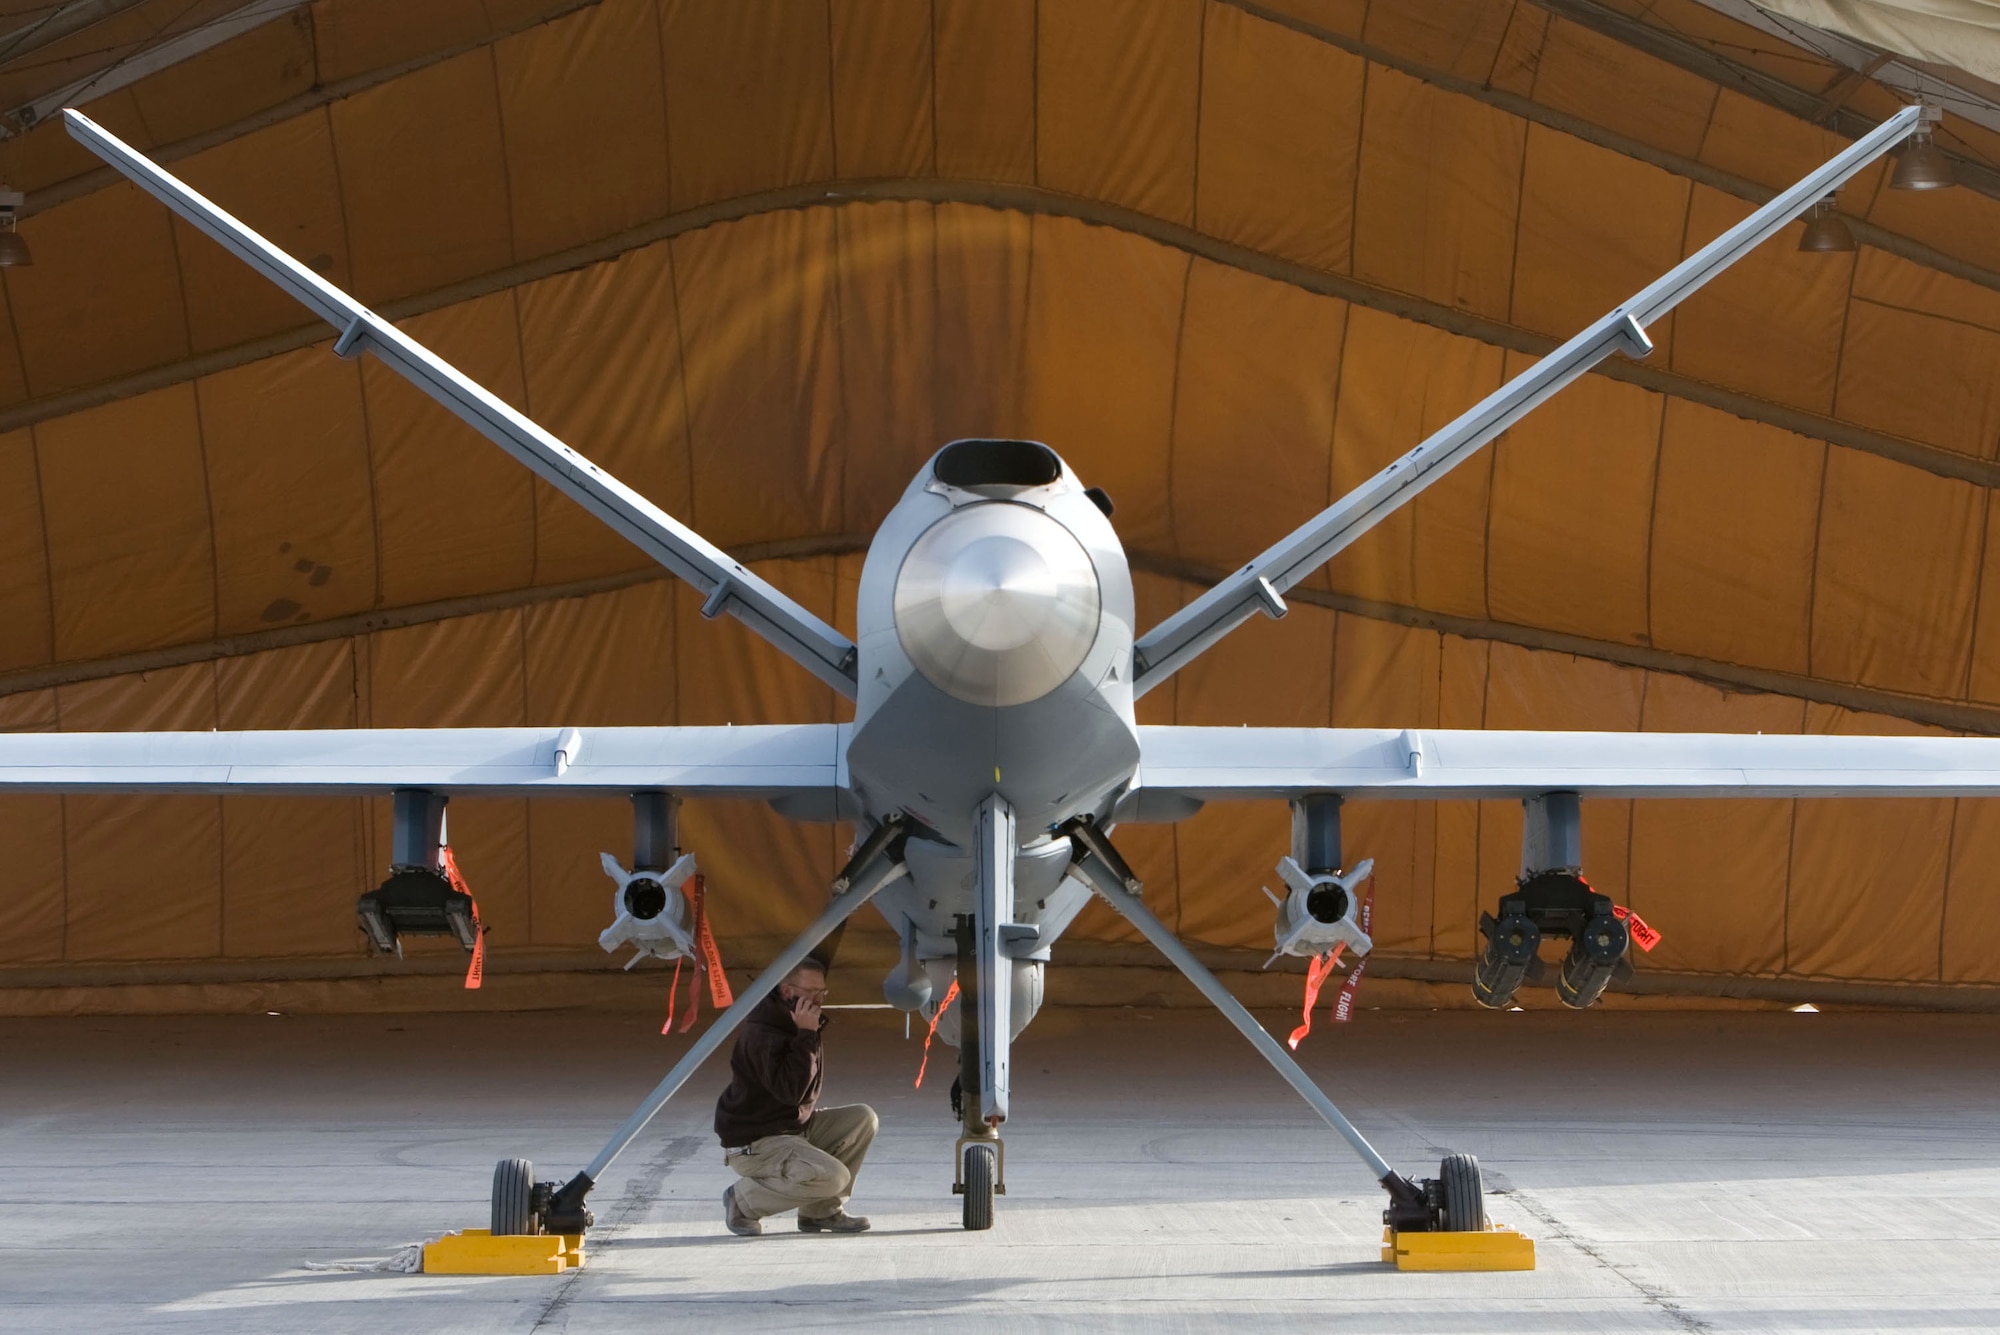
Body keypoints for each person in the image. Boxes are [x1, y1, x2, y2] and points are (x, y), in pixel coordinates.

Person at [715, 958, 877, 1235]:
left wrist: (806, 1032)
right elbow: (791, 1093)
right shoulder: (764, 1032)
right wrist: (806, 1034)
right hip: (756, 1143)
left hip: (788, 1128)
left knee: (862, 1118)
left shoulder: (792, 1018)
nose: (818, 999)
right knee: (834, 1177)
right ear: (787, 990)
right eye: (811, 991)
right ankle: (742, 1201)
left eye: (822, 992)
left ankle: (821, 1212)